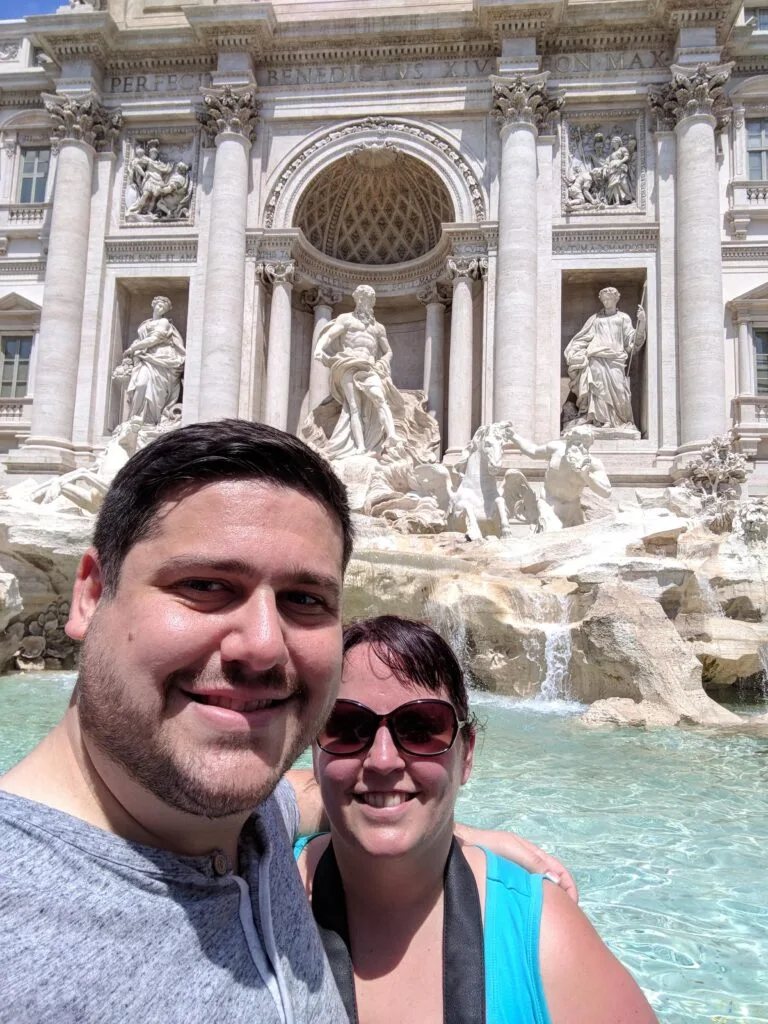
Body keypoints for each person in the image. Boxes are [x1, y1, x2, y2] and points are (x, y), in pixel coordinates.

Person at [0, 419, 574, 1022]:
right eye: (204, 585)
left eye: (304, 599)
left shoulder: (251, 812)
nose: (264, 646)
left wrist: (446, 831)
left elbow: (314, 792)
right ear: (90, 595)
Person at [297, 615, 659, 1024]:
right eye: (347, 726)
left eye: (420, 728)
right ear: (314, 748)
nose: (383, 760)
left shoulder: (543, 937)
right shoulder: (258, 881)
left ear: (465, 755)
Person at [314, 284, 398, 457]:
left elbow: (388, 350)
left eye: (368, 298)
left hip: (369, 366)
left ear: (372, 302)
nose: (364, 301)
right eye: (361, 297)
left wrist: (383, 361)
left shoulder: (378, 327)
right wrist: (319, 348)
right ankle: (360, 447)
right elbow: (329, 335)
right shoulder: (346, 319)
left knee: (380, 399)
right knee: (354, 407)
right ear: (356, 299)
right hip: (348, 363)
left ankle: (392, 436)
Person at [563, 286, 646, 430]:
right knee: (597, 389)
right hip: (596, 357)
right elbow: (583, 337)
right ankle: (600, 420)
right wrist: (575, 352)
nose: (606, 302)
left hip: (616, 359)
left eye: (609, 299)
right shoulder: (595, 319)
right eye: (604, 300)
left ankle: (619, 421)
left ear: (616, 299)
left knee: (619, 390)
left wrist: (642, 322)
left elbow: (633, 342)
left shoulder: (623, 318)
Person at [509, 424, 611, 530]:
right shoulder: (556, 449)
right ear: (568, 441)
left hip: (572, 508)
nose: (580, 447)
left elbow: (606, 491)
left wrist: (586, 475)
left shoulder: (593, 464)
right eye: (576, 442)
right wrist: (513, 436)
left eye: (585, 444)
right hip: (548, 503)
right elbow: (533, 451)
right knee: (553, 530)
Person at [112, 294, 185, 426]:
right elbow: (143, 339)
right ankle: (135, 418)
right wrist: (136, 349)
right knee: (140, 385)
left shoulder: (164, 322)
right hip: (145, 359)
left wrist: (133, 348)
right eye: (159, 305)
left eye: (164, 307)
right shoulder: (145, 323)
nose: (161, 308)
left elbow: (155, 339)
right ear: (154, 304)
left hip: (162, 359)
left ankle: (151, 420)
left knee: (156, 390)